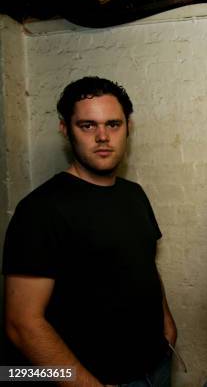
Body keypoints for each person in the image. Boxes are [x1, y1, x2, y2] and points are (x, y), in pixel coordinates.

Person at [3, 76, 177, 386]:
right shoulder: (40, 210)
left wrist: (166, 326)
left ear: (128, 127)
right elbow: (22, 324)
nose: (102, 136)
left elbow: (143, 263)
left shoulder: (133, 194)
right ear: (65, 129)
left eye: (113, 124)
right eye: (87, 125)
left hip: (156, 367)